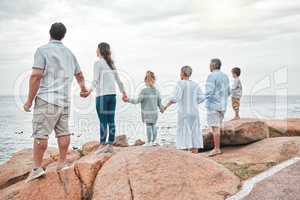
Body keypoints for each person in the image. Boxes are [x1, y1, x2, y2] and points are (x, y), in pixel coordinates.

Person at [24, 22, 88, 182]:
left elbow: (36, 76)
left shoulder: (42, 50)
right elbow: (79, 75)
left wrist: (29, 100)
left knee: (41, 133)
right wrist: (83, 89)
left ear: (50, 33)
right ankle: (62, 162)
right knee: (63, 132)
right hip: (65, 100)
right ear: (63, 35)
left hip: (47, 99)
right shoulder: (69, 53)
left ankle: (37, 168)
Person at [80, 42, 127, 153]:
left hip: (102, 97)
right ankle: (110, 145)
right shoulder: (111, 64)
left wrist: (89, 91)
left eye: (97, 49)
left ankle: (102, 145)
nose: (95, 51)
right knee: (111, 120)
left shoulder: (98, 63)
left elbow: (95, 80)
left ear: (100, 50)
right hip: (112, 96)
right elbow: (119, 81)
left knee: (103, 121)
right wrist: (124, 93)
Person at [164, 66, 204, 153]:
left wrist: (166, 106)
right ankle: (195, 157)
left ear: (182, 73)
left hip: (184, 113)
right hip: (194, 113)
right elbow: (202, 98)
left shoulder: (180, 83)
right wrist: (193, 102)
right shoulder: (195, 84)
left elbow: (175, 98)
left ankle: (186, 158)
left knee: (184, 134)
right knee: (194, 133)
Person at [123, 71, 164, 146]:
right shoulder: (157, 91)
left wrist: (128, 100)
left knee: (148, 126)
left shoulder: (144, 91)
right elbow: (159, 103)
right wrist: (162, 109)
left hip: (147, 113)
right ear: (154, 80)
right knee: (154, 126)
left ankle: (149, 142)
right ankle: (154, 141)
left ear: (145, 80)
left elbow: (137, 101)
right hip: (154, 113)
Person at [205, 58, 230, 157]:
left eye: (210, 64)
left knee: (215, 128)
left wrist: (200, 99)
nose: (209, 66)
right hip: (223, 106)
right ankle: (217, 147)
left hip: (213, 105)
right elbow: (228, 92)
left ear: (212, 65)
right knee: (217, 126)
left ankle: (216, 149)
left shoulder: (211, 76)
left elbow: (208, 91)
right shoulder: (225, 76)